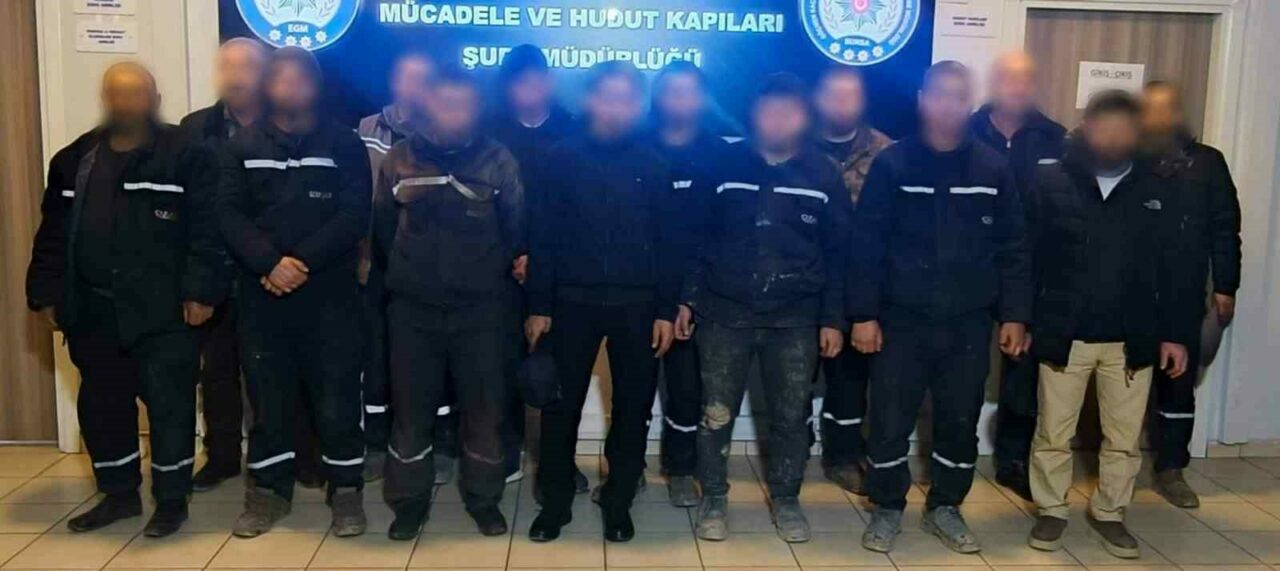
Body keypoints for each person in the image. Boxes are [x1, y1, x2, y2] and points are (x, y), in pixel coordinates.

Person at [26, 62, 225, 537]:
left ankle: (171, 501)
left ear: (154, 100)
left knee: (170, 408)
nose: (127, 103)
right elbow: (52, 234)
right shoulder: (75, 159)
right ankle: (118, 495)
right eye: (117, 94)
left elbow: (208, 232)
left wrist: (202, 292)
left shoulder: (187, 154)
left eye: (136, 94)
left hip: (165, 311)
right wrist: (45, 292)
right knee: (102, 408)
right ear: (106, 100)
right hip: (93, 310)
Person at [851, 61, 1032, 555]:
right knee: (889, 419)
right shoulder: (893, 164)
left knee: (958, 419)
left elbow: (1014, 248)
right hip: (900, 321)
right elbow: (866, 244)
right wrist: (863, 314)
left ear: (969, 103)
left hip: (969, 323)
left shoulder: (992, 168)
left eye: (958, 96)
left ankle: (946, 507)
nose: (947, 106)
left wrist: (1015, 315)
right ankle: (887, 507)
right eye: (938, 95)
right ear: (922, 99)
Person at [677, 72, 851, 543]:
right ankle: (714, 496)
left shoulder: (823, 174)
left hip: (796, 319)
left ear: (803, 116)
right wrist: (687, 299)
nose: (778, 119)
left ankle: (787, 499)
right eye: (769, 109)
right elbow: (695, 239)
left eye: (788, 111)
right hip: (724, 313)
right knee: (716, 413)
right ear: (754, 114)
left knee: (791, 418)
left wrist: (833, 319)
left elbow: (840, 254)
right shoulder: (722, 165)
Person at [1024, 91, 1196, 559]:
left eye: (1124, 127)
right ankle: (1051, 509)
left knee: (1123, 438)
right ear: (1087, 128)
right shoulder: (1052, 181)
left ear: (1136, 133)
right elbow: (1027, 257)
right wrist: (1021, 318)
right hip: (1064, 332)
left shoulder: (1157, 188)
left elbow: (1175, 270)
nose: (1113, 136)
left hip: (1132, 337)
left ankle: (1110, 512)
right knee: (1053, 432)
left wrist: (1175, 334)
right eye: (1105, 126)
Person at [216, 47, 370, 538]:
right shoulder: (240, 145)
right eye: (281, 78)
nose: (291, 86)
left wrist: (299, 263)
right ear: (268, 85)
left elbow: (354, 214)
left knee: (338, 399)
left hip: (330, 297)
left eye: (302, 78)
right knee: (268, 401)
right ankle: (268, 495)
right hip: (263, 298)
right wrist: (269, 263)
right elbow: (227, 214)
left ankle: (346, 492)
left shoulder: (345, 143)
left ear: (317, 86)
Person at [525, 61, 678, 544]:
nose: (616, 108)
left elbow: (670, 243)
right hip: (570, 301)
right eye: (607, 96)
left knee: (632, 409)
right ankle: (554, 504)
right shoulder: (559, 158)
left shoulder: (654, 163)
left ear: (639, 106)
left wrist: (665, 310)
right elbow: (542, 237)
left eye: (626, 99)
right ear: (590, 99)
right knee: (560, 406)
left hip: (639, 305)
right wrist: (539, 305)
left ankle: (618, 501)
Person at [370, 65, 525, 540]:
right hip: (412, 313)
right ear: (426, 106)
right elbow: (382, 232)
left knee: (484, 412)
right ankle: (409, 504)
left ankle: (483, 499)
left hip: (481, 312)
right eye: (443, 102)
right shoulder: (399, 159)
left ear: (476, 108)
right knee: (410, 414)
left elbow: (515, 231)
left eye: (463, 103)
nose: (452, 112)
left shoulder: (498, 160)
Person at [968, 51, 1068, 501]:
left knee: (1022, 372)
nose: (1017, 86)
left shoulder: (1057, 139)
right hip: (968, 270)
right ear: (994, 83)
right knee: (962, 367)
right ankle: (952, 452)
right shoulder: (965, 132)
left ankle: (1013, 460)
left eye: (1025, 78)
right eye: (1008, 78)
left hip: (1032, 273)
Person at [1139, 80, 1242, 508]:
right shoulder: (1127, 161)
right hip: (1130, 296)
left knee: (1178, 385)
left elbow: (1225, 230)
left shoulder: (1208, 163)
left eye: (1167, 108)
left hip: (1184, 293)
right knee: (1121, 383)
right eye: (1151, 109)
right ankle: (1114, 467)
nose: (1159, 117)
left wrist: (1226, 287)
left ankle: (1171, 469)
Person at [486, 44, 582, 489]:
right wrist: (516, 255)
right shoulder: (489, 133)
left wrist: (542, 261)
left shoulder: (572, 130)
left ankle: (557, 460)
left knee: (559, 369)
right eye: (520, 82)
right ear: (508, 87)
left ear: (550, 82)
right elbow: (481, 206)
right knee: (501, 362)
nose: (530, 89)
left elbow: (581, 209)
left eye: (537, 80)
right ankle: (505, 452)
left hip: (562, 272)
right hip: (498, 271)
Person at [177, 37, 269, 493]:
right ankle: (222, 457)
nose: (236, 75)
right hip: (214, 271)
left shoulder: (286, 123)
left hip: (270, 272)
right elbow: (185, 209)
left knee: (274, 372)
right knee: (217, 373)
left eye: (246, 66)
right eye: (227, 66)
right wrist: (194, 282)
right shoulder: (194, 129)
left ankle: (290, 454)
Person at [356, 51, 444, 484]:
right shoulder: (367, 129)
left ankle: (438, 443)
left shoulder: (448, 130)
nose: (416, 87)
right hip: (377, 262)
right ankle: (377, 443)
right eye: (409, 78)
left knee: (434, 358)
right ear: (395, 82)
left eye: (425, 79)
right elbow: (357, 196)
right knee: (377, 354)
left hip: (434, 268)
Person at [648, 61, 731, 508]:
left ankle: (680, 469)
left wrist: (689, 297)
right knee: (634, 387)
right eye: (671, 90)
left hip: (700, 292)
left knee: (687, 388)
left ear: (702, 99)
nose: (680, 100)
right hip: (639, 288)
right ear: (657, 97)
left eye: (689, 91)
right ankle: (626, 467)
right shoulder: (637, 145)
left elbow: (724, 231)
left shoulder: (720, 154)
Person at [811, 65, 892, 495]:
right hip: (801, 283)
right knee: (791, 378)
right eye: (833, 94)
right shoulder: (794, 144)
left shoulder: (886, 152)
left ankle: (843, 455)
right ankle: (788, 453)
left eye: (851, 95)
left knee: (849, 379)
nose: (842, 103)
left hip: (860, 285)